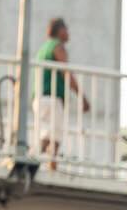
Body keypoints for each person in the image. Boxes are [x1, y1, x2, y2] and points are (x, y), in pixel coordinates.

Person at [33, 16, 89, 170]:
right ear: (60, 30)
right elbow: (67, 73)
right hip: (51, 98)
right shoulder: (58, 47)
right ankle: (52, 164)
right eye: (66, 29)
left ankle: (34, 157)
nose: (68, 32)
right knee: (56, 134)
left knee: (47, 134)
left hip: (39, 98)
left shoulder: (44, 48)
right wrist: (82, 98)